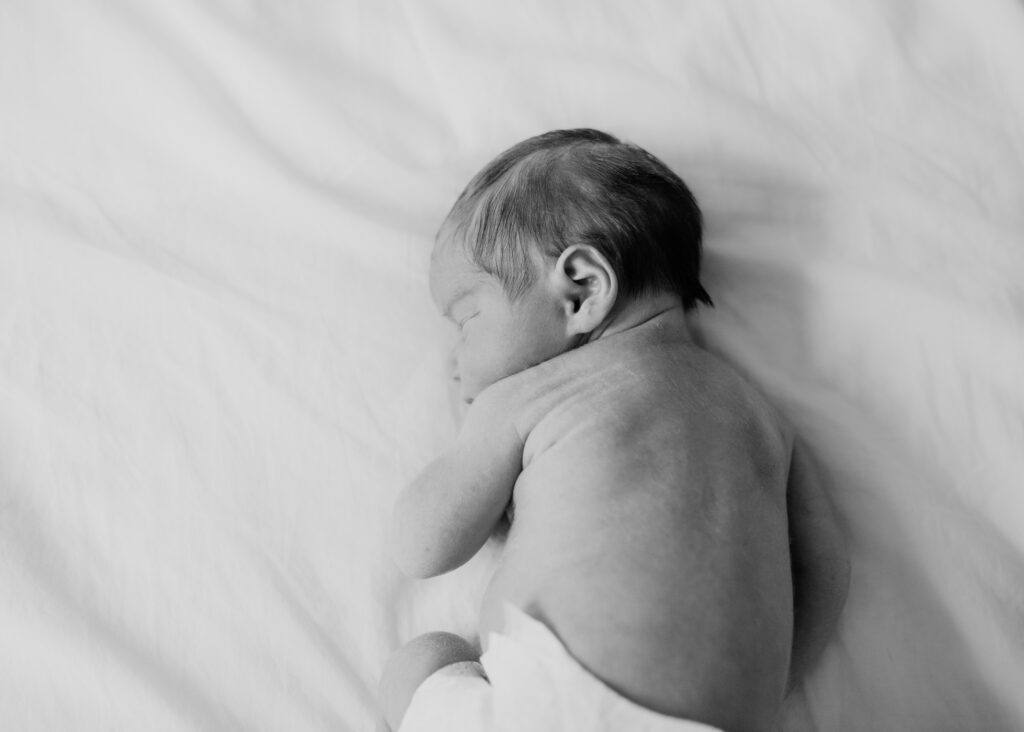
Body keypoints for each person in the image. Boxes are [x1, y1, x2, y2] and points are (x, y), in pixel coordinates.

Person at [380, 129, 849, 732]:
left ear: (582, 289)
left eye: (467, 319)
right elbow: (827, 571)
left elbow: (421, 546)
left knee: (425, 660)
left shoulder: (534, 395)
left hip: (558, 710)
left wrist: (479, 427)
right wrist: (762, 689)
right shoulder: (762, 415)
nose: (453, 359)